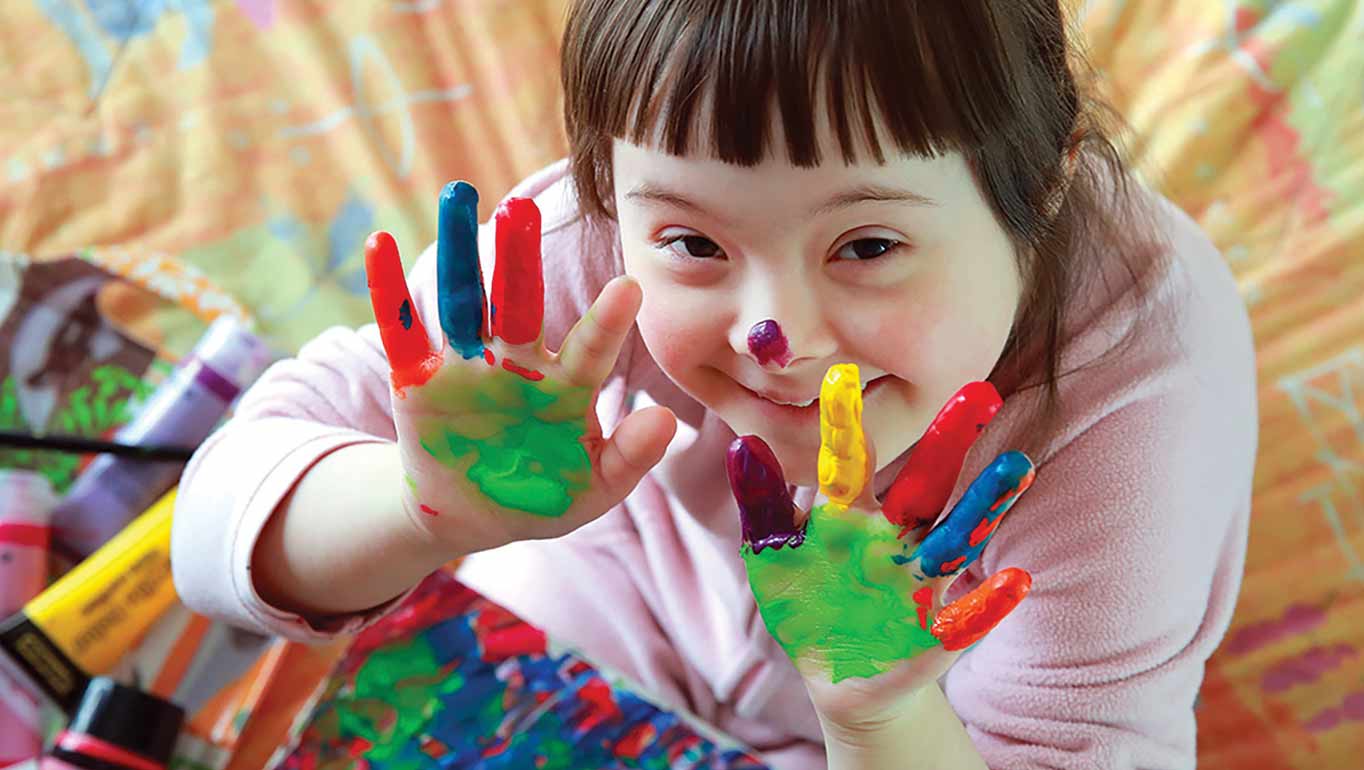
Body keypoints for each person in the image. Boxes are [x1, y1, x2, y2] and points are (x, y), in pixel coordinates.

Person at [171, 2, 1258, 768]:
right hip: (606, 597)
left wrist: (878, 712)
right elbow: (211, 532)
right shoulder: (585, 245)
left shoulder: (1135, 398)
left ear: (1046, 180)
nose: (770, 335)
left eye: (867, 244)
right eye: (690, 240)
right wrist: (413, 508)